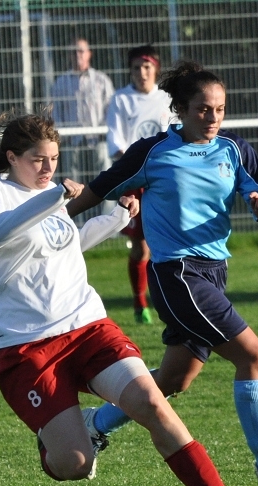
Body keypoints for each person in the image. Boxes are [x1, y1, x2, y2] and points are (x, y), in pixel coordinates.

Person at [0, 108, 258, 486]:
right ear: (12, 158)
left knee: (153, 403)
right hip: (27, 347)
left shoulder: (50, 196)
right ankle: (59, 441)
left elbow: (67, 244)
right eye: (37, 159)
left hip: (87, 327)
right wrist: (55, 196)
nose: (48, 167)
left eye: (54, 159)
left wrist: (116, 218)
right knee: (74, 464)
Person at [68, 60, 258, 486]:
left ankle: (97, 423)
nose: (213, 118)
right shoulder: (153, 153)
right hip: (178, 275)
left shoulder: (234, 150)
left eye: (220, 109)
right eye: (204, 110)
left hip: (214, 273)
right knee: (252, 356)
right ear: (180, 110)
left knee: (173, 379)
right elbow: (101, 186)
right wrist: (54, 217)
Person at [106, 44, 176, 325]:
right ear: (130, 71)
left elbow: (174, 135)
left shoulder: (166, 98)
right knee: (141, 248)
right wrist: (135, 165)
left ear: (155, 68)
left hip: (162, 178)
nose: (142, 73)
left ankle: (171, 298)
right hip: (135, 179)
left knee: (168, 243)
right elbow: (116, 142)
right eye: (136, 67)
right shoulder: (121, 100)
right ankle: (140, 303)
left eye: (146, 67)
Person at [50, 37, 115, 190]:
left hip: (98, 139)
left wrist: (103, 131)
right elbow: (56, 112)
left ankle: (106, 213)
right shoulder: (61, 82)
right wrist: (63, 135)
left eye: (80, 51)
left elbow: (110, 109)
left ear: (89, 54)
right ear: (68, 56)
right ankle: (74, 214)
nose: (77, 55)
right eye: (73, 52)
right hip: (72, 140)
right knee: (71, 184)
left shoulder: (101, 80)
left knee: (104, 180)